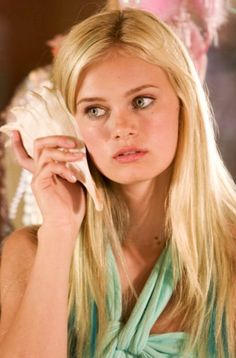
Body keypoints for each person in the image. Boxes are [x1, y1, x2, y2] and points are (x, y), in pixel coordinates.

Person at [0, 8, 235, 358]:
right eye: (95, 110)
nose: (121, 128)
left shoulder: (230, 252)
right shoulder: (32, 254)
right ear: (69, 123)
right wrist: (61, 229)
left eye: (141, 101)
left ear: (184, 105)